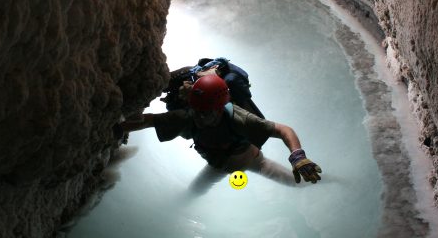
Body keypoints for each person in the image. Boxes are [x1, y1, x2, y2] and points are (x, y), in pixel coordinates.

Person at [116, 75, 322, 186]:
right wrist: (117, 126)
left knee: (300, 184)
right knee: (192, 194)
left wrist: (298, 157)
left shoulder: (238, 118)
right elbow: (149, 120)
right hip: (217, 167)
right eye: (197, 110)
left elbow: (284, 130)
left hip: (255, 162)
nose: (201, 116)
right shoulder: (189, 118)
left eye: (206, 112)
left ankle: (333, 183)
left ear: (219, 108)